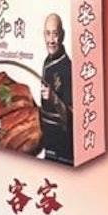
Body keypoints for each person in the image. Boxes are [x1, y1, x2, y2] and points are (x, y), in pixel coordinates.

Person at [40, 12, 73, 163]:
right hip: (47, 140)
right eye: (48, 34)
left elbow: (73, 117)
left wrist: (53, 98)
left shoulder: (68, 67)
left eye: (55, 34)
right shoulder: (47, 61)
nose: (51, 40)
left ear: (63, 35)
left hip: (63, 146)